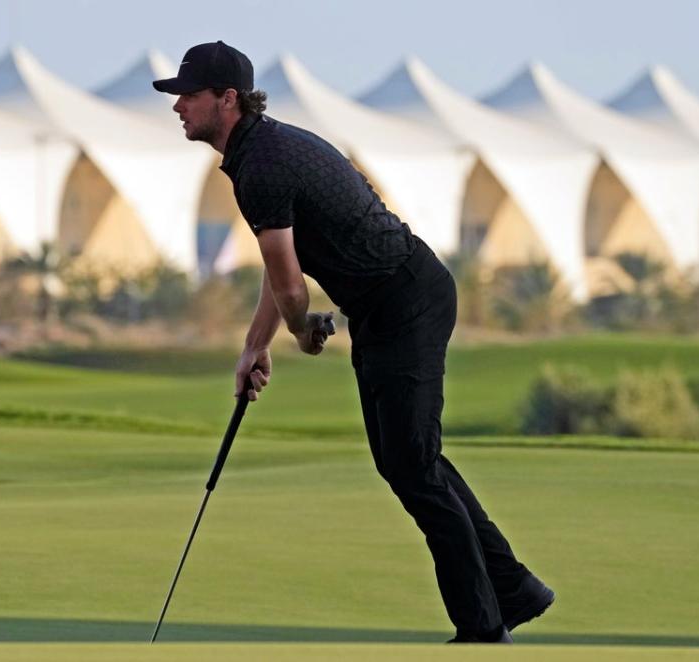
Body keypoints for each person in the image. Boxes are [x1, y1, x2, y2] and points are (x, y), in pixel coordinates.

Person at [153, 40, 554, 644]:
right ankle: (514, 588)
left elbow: (291, 286)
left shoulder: (261, 164)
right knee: (409, 462)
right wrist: (255, 345)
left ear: (227, 99)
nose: (178, 106)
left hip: (407, 300)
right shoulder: (262, 149)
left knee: (412, 466)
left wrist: (300, 330)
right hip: (387, 305)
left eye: (189, 95)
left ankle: (484, 625)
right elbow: (280, 265)